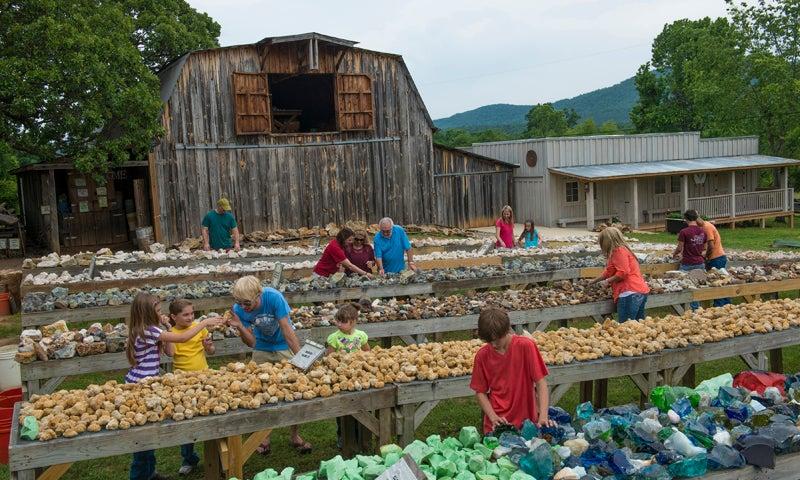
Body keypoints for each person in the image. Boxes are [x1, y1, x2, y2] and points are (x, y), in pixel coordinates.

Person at [125, 293, 224, 480]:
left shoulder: (149, 329)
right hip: (141, 385)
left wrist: (167, 326)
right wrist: (203, 323)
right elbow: (182, 338)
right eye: (158, 310)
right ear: (148, 312)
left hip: (146, 382)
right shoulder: (148, 330)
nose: (160, 313)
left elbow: (169, 350)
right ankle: (139, 475)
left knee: (148, 432)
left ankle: (149, 472)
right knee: (142, 436)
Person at [226, 276, 312, 455]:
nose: (243, 307)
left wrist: (300, 359)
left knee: (295, 388)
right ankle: (263, 436)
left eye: (247, 303)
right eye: (239, 303)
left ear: (259, 295)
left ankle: (295, 435)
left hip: (283, 345)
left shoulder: (274, 297)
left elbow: (287, 330)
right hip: (262, 347)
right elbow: (251, 343)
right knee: (258, 391)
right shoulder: (239, 309)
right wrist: (240, 327)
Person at [469, 308, 555, 434]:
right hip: (498, 424)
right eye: (488, 341)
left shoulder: (526, 346)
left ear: (506, 330)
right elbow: (480, 392)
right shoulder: (482, 356)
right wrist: (493, 417)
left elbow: (540, 382)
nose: (493, 344)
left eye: (497, 339)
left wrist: (543, 416)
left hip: (527, 423)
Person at [166, 299, 215, 476]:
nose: (190, 317)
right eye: (185, 314)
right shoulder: (170, 333)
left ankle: (216, 456)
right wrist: (166, 330)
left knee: (211, 414)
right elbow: (170, 353)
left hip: (204, 376)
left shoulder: (200, 328)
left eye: (192, 313)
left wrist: (208, 346)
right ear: (173, 316)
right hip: (182, 381)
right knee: (186, 421)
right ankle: (189, 458)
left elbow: (211, 351)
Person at [326, 303, 371, 449]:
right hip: (342, 377)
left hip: (359, 375)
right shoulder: (334, 338)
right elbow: (329, 357)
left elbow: (367, 352)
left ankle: (363, 438)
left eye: (343, 322)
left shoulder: (361, 336)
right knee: (343, 409)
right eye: (337, 321)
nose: (339, 324)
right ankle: (343, 437)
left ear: (353, 322)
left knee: (363, 406)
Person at [590, 227, 650, 321]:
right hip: (639, 291)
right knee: (639, 326)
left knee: (626, 327)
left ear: (607, 241)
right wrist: (595, 280)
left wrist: (607, 281)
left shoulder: (618, 251)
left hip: (629, 292)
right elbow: (609, 271)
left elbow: (623, 273)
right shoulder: (623, 250)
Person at [673, 210, 709, 310]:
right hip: (700, 263)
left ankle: (682, 308)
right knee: (697, 287)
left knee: (681, 285)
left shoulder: (684, 232)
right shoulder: (703, 231)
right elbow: (705, 249)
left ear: (686, 219)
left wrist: (674, 254)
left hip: (687, 263)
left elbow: (680, 248)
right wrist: (700, 254)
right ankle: (696, 309)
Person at [697, 217, 730, 307]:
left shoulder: (707, 227)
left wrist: (706, 257)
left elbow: (711, 245)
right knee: (722, 281)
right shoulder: (706, 225)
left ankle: (719, 306)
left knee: (718, 282)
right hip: (718, 257)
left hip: (716, 258)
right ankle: (726, 304)